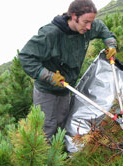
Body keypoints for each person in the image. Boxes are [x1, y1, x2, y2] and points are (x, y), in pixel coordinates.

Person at [19, 0, 117, 142]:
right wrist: (48, 76)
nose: (89, 27)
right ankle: (45, 163)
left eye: (91, 22)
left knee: (62, 125)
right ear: (73, 16)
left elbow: (101, 28)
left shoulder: (86, 28)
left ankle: (60, 159)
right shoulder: (51, 34)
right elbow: (25, 56)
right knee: (46, 129)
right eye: (85, 22)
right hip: (47, 92)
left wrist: (110, 43)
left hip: (66, 88)